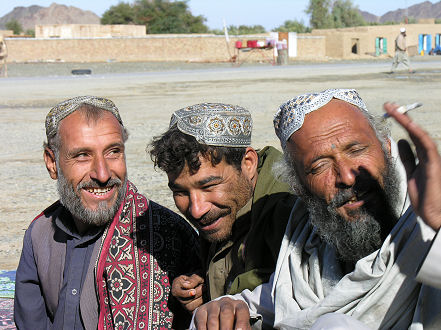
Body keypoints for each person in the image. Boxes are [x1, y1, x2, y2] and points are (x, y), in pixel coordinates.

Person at [191, 89, 441, 329]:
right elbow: (276, 298)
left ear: (386, 148)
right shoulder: (309, 247)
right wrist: (226, 305)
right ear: (299, 187)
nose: (346, 176)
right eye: (320, 165)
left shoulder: (428, 223)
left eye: (356, 150)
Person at [14, 96, 201, 329]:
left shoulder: (167, 234)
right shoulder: (40, 233)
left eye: (113, 152)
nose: (102, 174)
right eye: (82, 155)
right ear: (52, 163)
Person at [149, 103, 297, 312]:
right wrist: (202, 288)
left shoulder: (290, 213)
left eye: (209, 186)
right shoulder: (225, 207)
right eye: (180, 192)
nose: (196, 210)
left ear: (248, 163)